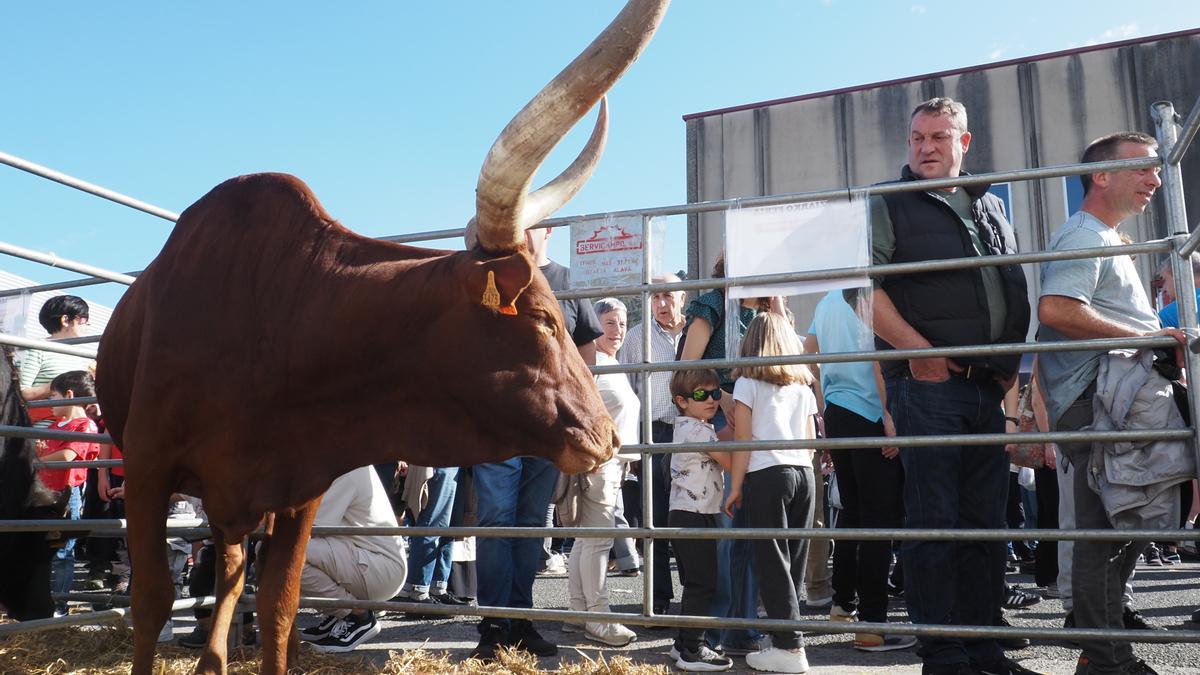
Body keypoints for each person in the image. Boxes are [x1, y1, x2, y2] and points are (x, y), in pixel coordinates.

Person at [870, 97, 1032, 675]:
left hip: (986, 385)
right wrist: (921, 353)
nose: (925, 148)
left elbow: (1012, 288)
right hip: (928, 386)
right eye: (916, 138)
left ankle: (983, 648)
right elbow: (861, 290)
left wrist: (1010, 368)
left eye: (938, 137)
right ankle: (942, 653)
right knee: (934, 520)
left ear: (965, 142)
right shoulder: (889, 203)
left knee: (985, 522)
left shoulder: (991, 204)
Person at [1037, 131, 1188, 675]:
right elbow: (1055, 309)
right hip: (1097, 402)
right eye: (1144, 168)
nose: (1155, 179)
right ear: (1102, 176)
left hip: (1116, 400)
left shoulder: (1107, 238)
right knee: (1106, 526)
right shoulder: (1085, 236)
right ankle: (1106, 658)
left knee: (1123, 521)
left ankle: (1097, 652)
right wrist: (1148, 338)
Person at [470, 225, 603, 661]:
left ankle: (520, 619)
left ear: (548, 229)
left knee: (531, 523)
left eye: (533, 221)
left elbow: (585, 362)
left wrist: (580, 424)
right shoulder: (488, 275)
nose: (523, 229)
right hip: (497, 422)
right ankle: (493, 624)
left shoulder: (567, 281)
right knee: (494, 520)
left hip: (545, 426)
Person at [805, 289, 915, 652]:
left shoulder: (827, 301)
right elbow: (877, 359)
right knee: (877, 522)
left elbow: (808, 353)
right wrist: (889, 415)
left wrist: (825, 400)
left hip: (838, 412)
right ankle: (873, 624)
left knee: (853, 513)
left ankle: (842, 603)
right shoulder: (869, 295)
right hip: (871, 413)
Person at [677, 256, 771, 654]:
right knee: (727, 531)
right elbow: (685, 367)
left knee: (748, 528)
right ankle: (711, 634)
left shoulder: (768, 309)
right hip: (720, 416)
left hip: (758, 420)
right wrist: (725, 397)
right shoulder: (713, 303)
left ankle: (740, 628)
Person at [724, 312, 817, 674]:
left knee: (771, 559)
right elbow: (810, 442)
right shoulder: (802, 386)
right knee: (793, 559)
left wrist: (735, 486)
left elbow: (743, 439)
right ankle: (785, 639)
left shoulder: (748, 382)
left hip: (768, 472)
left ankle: (790, 647)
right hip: (804, 473)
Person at [561, 297, 638, 646]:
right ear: (595, 326)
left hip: (612, 462)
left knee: (586, 540)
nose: (617, 329)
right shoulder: (592, 364)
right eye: (609, 322)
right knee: (598, 541)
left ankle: (580, 612)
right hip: (600, 462)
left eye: (622, 323)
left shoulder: (612, 363)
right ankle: (598, 617)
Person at [617, 273, 687, 576]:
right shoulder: (636, 337)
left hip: (693, 434)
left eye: (668, 296)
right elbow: (626, 391)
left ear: (682, 298)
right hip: (654, 433)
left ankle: (693, 598)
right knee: (654, 518)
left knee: (690, 517)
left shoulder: (698, 331)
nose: (661, 303)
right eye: (655, 297)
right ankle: (657, 598)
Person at [297, 465, 407, 653]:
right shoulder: (343, 462)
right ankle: (339, 615)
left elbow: (310, 528)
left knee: (290, 556)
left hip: (380, 567)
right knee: (277, 552)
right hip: (368, 559)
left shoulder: (346, 468)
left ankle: (357, 615)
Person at [667, 368, 734, 672]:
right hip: (693, 515)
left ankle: (684, 642)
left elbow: (722, 442)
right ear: (681, 401)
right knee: (702, 583)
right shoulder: (696, 431)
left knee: (697, 582)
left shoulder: (697, 428)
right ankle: (692, 650)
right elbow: (729, 459)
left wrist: (733, 424)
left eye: (715, 393)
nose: (710, 399)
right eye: (700, 395)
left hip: (693, 513)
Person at [35, 370, 101, 616]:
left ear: (69, 395)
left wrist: (36, 461)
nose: (51, 403)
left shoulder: (85, 425)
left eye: (53, 396)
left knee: (63, 549)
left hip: (67, 492)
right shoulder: (54, 425)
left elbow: (68, 456)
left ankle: (59, 604)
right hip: (44, 493)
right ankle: (41, 599)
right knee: (42, 545)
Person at [399, 463, 466, 614]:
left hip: (455, 459)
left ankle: (437, 587)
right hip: (441, 458)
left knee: (448, 528)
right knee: (432, 524)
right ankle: (419, 591)